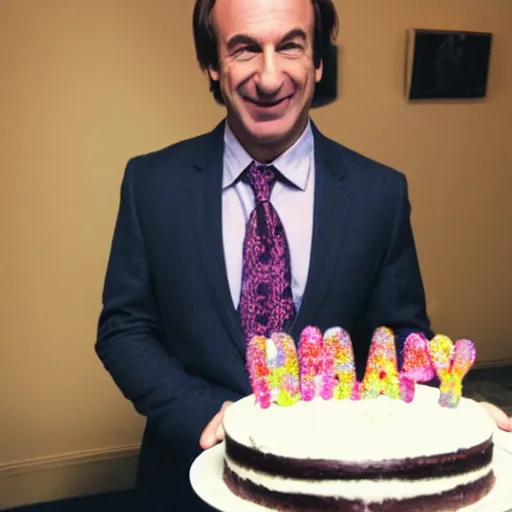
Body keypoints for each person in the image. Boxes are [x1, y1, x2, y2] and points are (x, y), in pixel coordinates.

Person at [95, 0, 512, 510]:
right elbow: (124, 327)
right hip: (185, 478)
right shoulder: (152, 183)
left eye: (290, 45)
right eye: (245, 49)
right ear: (212, 63)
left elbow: (402, 336)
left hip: (330, 487)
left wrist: (450, 417)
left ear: (317, 61)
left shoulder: (378, 193)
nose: (269, 78)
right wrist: (209, 413)